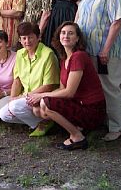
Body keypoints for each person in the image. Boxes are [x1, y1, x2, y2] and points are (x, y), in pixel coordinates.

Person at [76, 0, 121, 142]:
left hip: (106, 51)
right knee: (93, 88)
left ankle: (117, 126)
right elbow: (80, 17)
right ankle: (100, 120)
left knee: (110, 87)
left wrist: (105, 49)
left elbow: (117, 21)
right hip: (88, 49)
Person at [33, 22, 106, 150]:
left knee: (46, 102)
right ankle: (78, 127)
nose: (66, 36)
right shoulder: (64, 59)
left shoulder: (79, 56)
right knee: (40, 109)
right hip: (79, 104)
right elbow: (61, 89)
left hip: (92, 109)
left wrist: (42, 95)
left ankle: (78, 137)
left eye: (71, 33)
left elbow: (69, 92)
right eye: (63, 33)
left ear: (77, 38)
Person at [0, 22, 59, 133]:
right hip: (26, 98)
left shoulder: (48, 54)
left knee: (15, 106)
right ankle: (39, 122)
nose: (27, 41)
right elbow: (17, 81)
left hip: (42, 97)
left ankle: (46, 119)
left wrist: (21, 98)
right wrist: (12, 99)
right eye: (24, 38)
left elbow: (49, 86)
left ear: (38, 37)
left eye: (30, 37)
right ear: (20, 40)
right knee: (3, 114)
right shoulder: (20, 54)